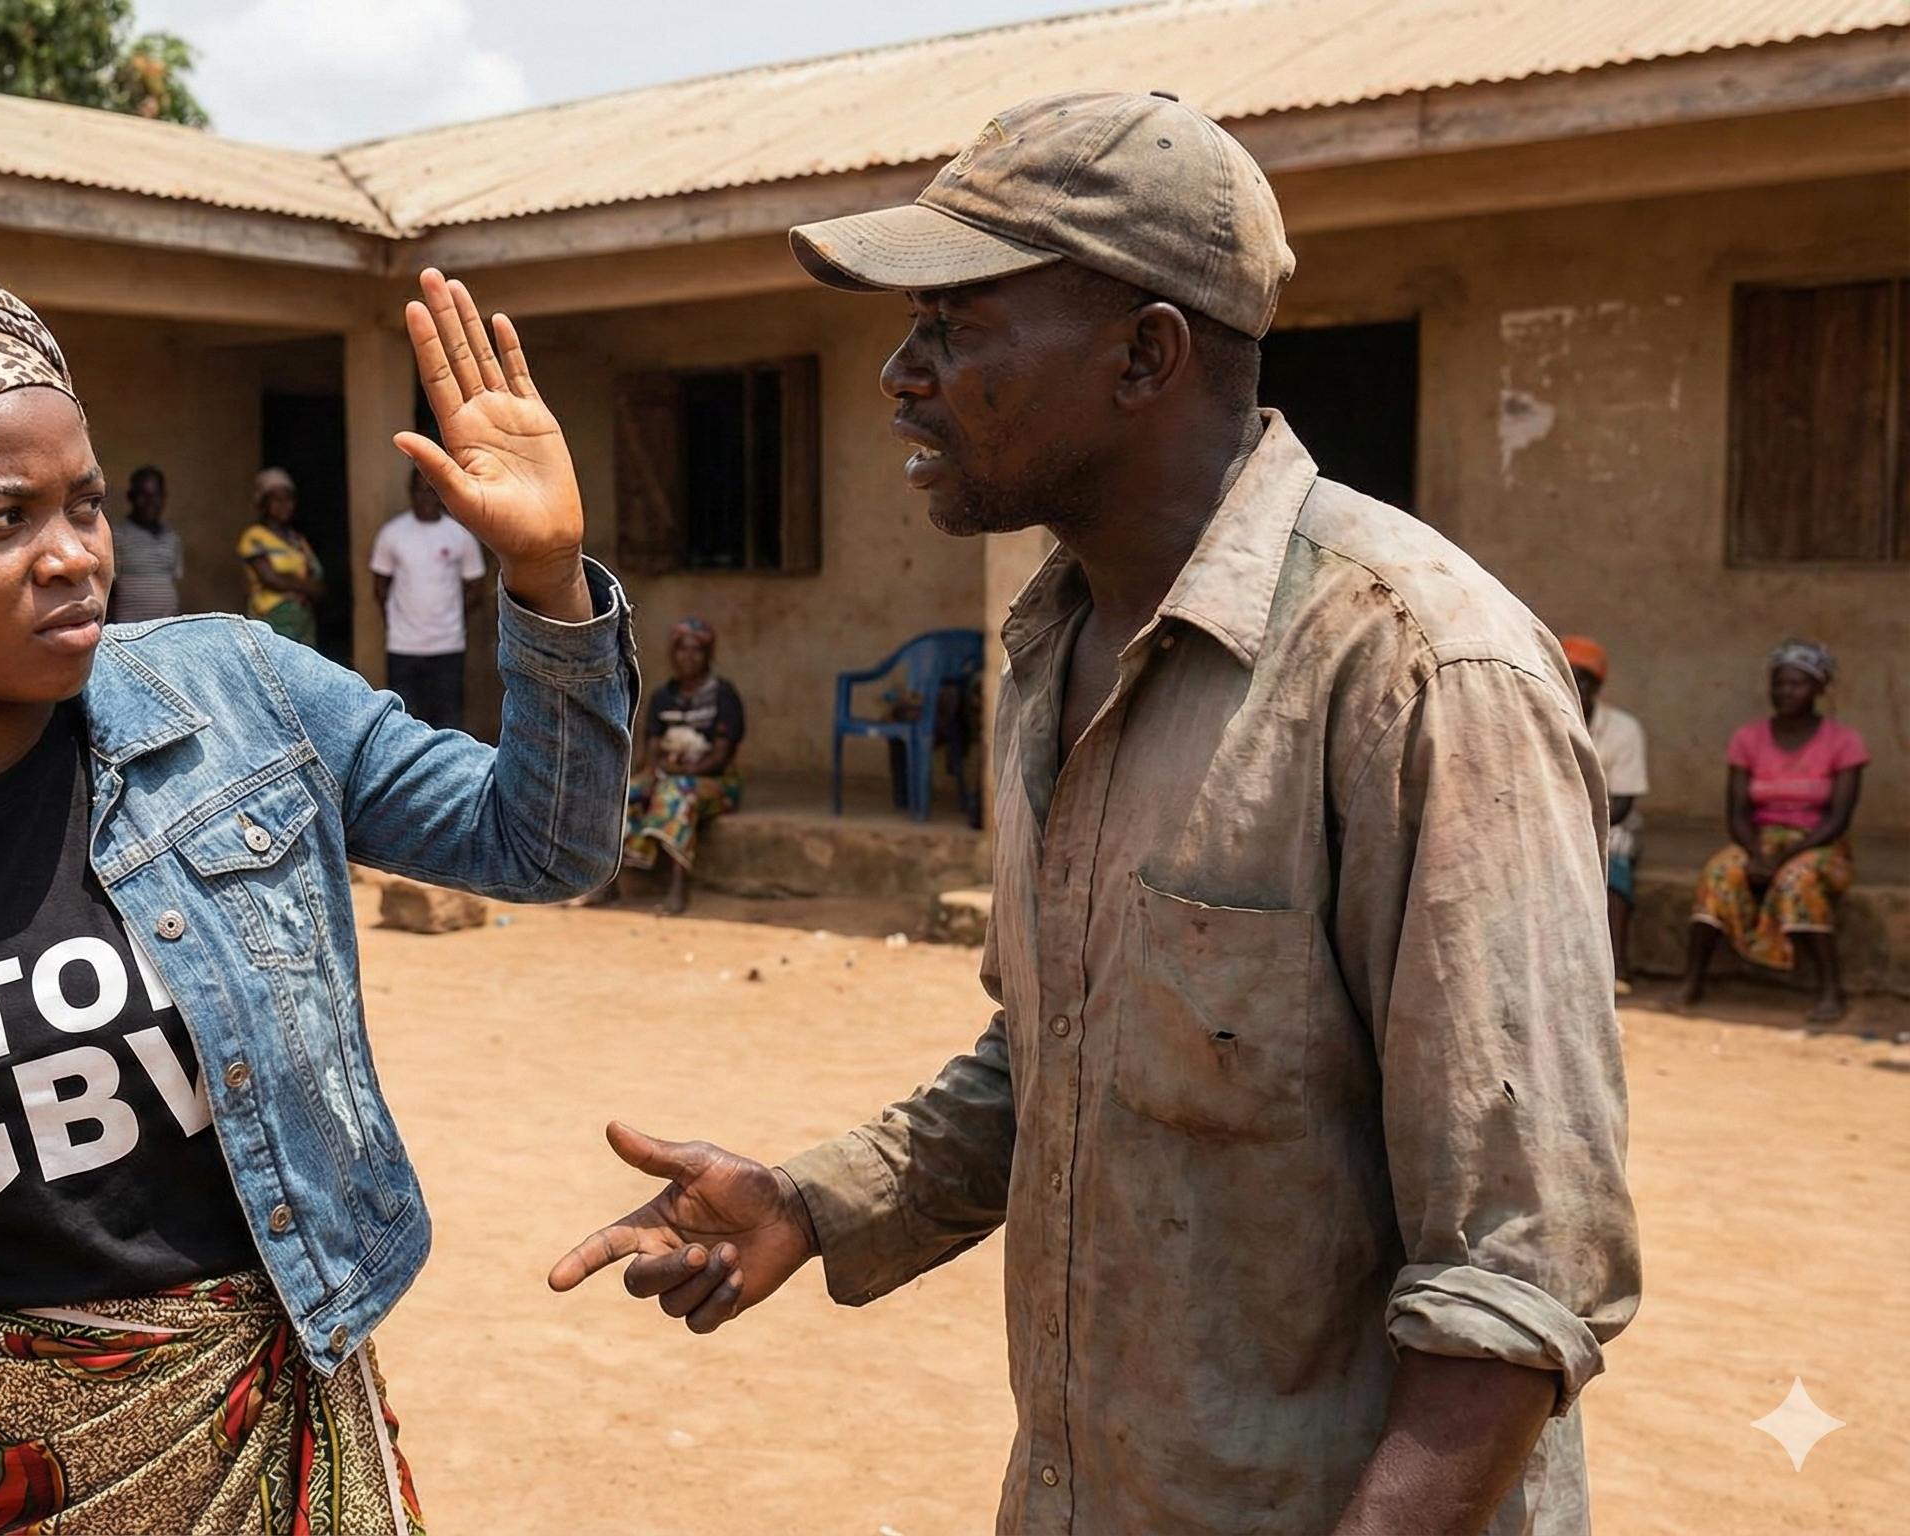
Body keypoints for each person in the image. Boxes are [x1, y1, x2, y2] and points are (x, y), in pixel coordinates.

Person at [549, 91, 1637, 1536]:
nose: (901, 372)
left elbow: (1520, 1271)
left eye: (959, 323)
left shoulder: (1418, 672)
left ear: (1146, 354)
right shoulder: (1050, 649)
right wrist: (815, 1204)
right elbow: (1054, 1062)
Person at [0, 269, 632, 1536]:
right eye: (1, 519)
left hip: (274, 1447)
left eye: (85, 503)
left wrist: (549, 580)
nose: (74, 557)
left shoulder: (240, 697)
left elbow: (541, 842)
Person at [1681, 639, 1868, 1022]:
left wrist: (1781, 859)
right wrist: (1756, 854)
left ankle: (1831, 990)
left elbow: (1838, 819)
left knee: (1797, 881)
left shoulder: (1844, 742)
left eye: (1797, 683)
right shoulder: (1748, 739)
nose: (1786, 691)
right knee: (1719, 873)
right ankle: (1692, 981)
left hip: (1820, 842)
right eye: (1779, 683)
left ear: (1819, 688)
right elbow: (1736, 813)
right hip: (1759, 839)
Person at [612, 618, 745, 916]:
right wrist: (650, 775)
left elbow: (721, 757)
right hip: (667, 775)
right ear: (672, 654)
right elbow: (651, 752)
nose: (688, 657)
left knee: (675, 793)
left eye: (697, 651)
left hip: (716, 782)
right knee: (624, 795)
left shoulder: (723, 695)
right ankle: (607, 884)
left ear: (708, 656)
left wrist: (677, 773)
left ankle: (677, 888)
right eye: (682, 650)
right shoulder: (663, 697)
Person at [369, 464, 490, 731]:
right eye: (419, 491)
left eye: (431, 491)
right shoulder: (392, 534)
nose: (426, 497)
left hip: (447, 646)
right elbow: (380, 587)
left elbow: (476, 586)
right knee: (403, 723)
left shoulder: (459, 535)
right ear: (410, 493)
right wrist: (398, 622)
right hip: (403, 647)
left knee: (448, 721)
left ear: (440, 494)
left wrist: (451, 616)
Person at [1563, 635, 1648, 994]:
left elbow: (1624, 802)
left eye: (1584, 679)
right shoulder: (1539, 717)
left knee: (1611, 858)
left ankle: (1616, 965)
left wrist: (1577, 826)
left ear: (1598, 686)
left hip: (1609, 819)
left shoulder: (1623, 729)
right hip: (1554, 816)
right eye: (1568, 676)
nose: (1575, 687)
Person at [238, 466, 324, 646]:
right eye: (276, 500)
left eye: (288, 499)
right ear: (263, 504)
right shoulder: (254, 536)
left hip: (302, 620)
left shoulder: (297, 540)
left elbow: (316, 577)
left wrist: (300, 585)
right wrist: (305, 587)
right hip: (271, 619)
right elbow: (271, 579)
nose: (284, 505)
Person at [108, 463, 185, 622]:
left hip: (166, 628)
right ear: (131, 496)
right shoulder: (117, 536)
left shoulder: (172, 538)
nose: (150, 502)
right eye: (143, 495)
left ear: (163, 498)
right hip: (129, 629)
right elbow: (110, 588)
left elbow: (171, 582)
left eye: (155, 495)